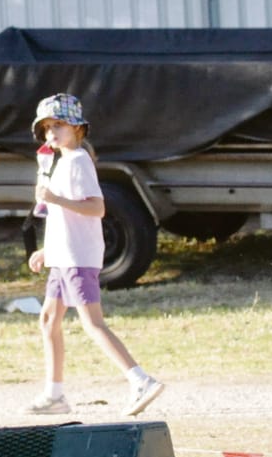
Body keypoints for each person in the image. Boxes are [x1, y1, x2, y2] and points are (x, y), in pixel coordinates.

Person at [22, 93, 166, 417]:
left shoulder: (78, 162)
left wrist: (55, 198)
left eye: (57, 125)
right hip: (63, 257)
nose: (51, 133)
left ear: (76, 127)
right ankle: (54, 394)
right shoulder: (63, 162)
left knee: (93, 323)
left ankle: (139, 380)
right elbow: (66, 219)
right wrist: (48, 250)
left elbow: (96, 208)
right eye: (46, 128)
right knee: (48, 320)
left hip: (77, 259)